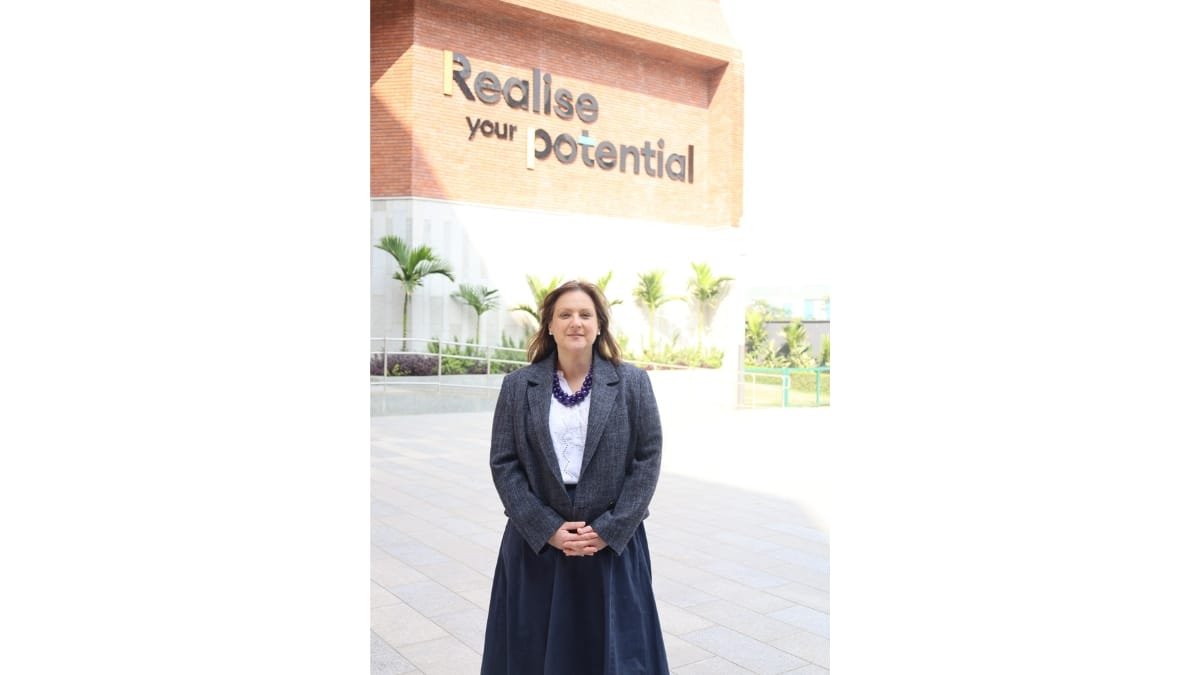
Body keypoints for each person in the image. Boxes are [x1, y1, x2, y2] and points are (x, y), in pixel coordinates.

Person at [481, 280, 670, 674]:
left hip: (610, 547)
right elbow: (504, 462)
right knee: (534, 653)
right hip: (537, 548)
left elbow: (647, 459)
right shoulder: (518, 386)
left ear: (599, 325)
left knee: (615, 654)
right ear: (549, 325)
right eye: (564, 314)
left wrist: (610, 529)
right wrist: (546, 528)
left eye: (585, 314)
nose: (575, 322)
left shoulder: (632, 383)